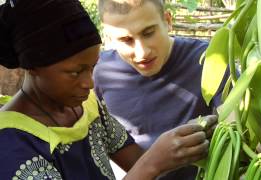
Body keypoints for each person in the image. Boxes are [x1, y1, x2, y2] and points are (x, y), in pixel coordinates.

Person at [0, 0, 214, 179]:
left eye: (92, 67)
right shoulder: (11, 144)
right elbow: (146, 167)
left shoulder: (87, 106)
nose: (90, 83)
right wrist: (152, 163)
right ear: (33, 68)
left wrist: (184, 143)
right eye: (76, 72)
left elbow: (136, 162)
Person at [93, 0, 229, 178]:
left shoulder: (209, 61)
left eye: (148, 33)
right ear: (108, 36)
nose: (142, 52)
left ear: (167, 20)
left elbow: (237, 126)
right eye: (126, 40)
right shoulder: (97, 74)